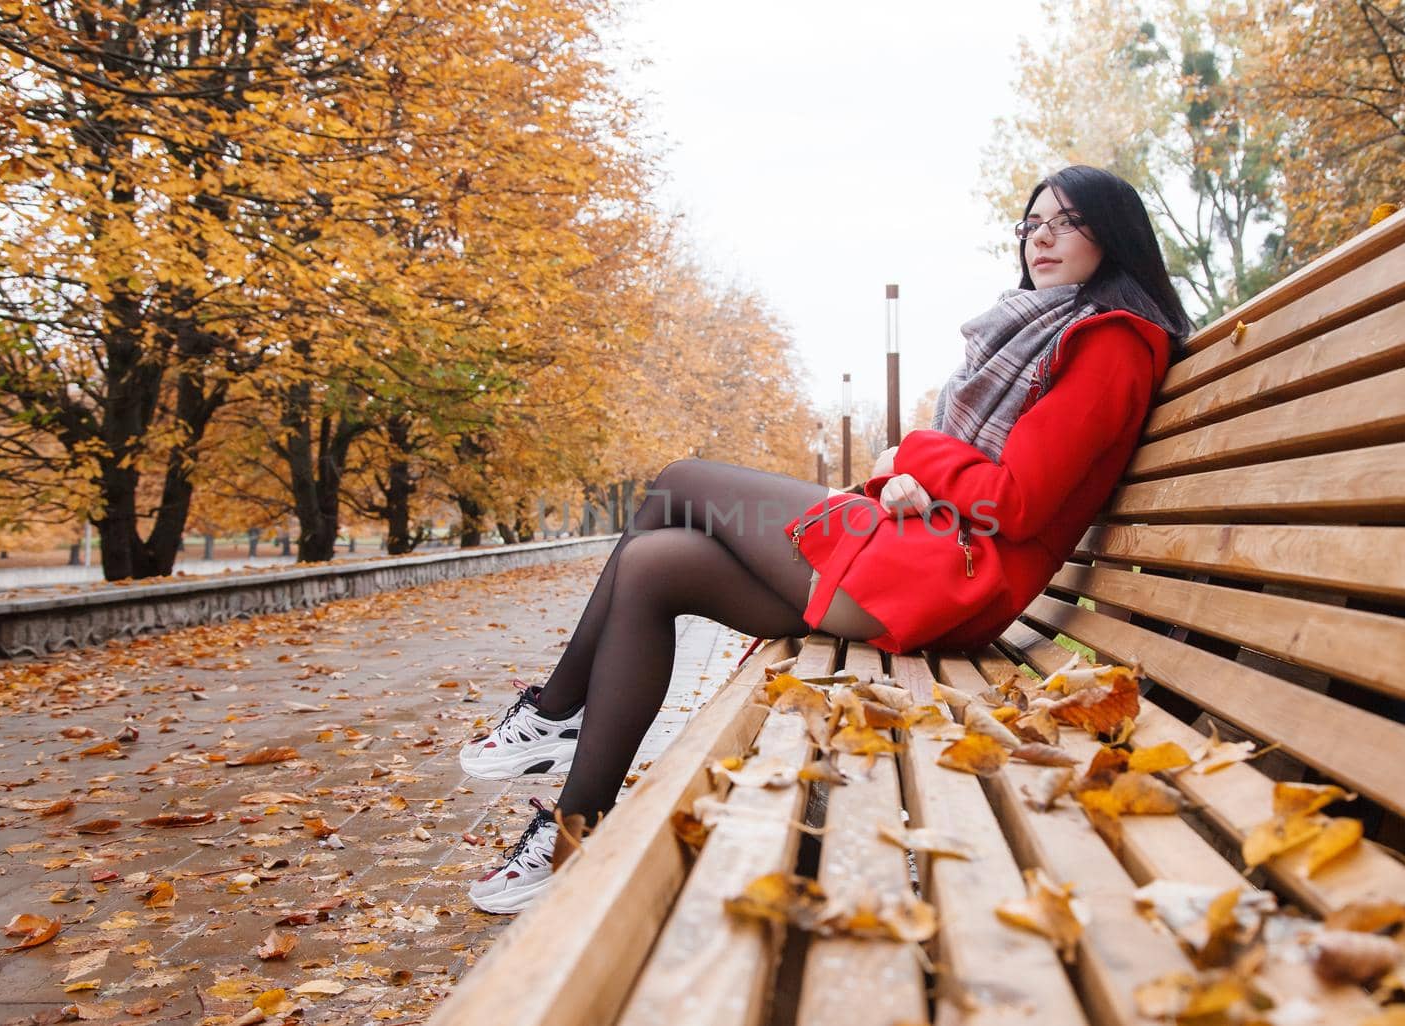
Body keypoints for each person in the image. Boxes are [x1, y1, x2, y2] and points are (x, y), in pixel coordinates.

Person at [461, 165, 1193, 914]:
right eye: (1032, 222)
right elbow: (996, 477)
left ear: (1114, 233)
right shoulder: (1051, 329)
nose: (1042, 236)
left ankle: (554, 715)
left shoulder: (1113, 341)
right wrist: (913, 480)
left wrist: (912, 454)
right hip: (931, 552)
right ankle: (572, 830)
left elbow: (1018, 500)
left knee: (679, 480)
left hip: (953, 578)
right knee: (653, 565)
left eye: (1066, 221)